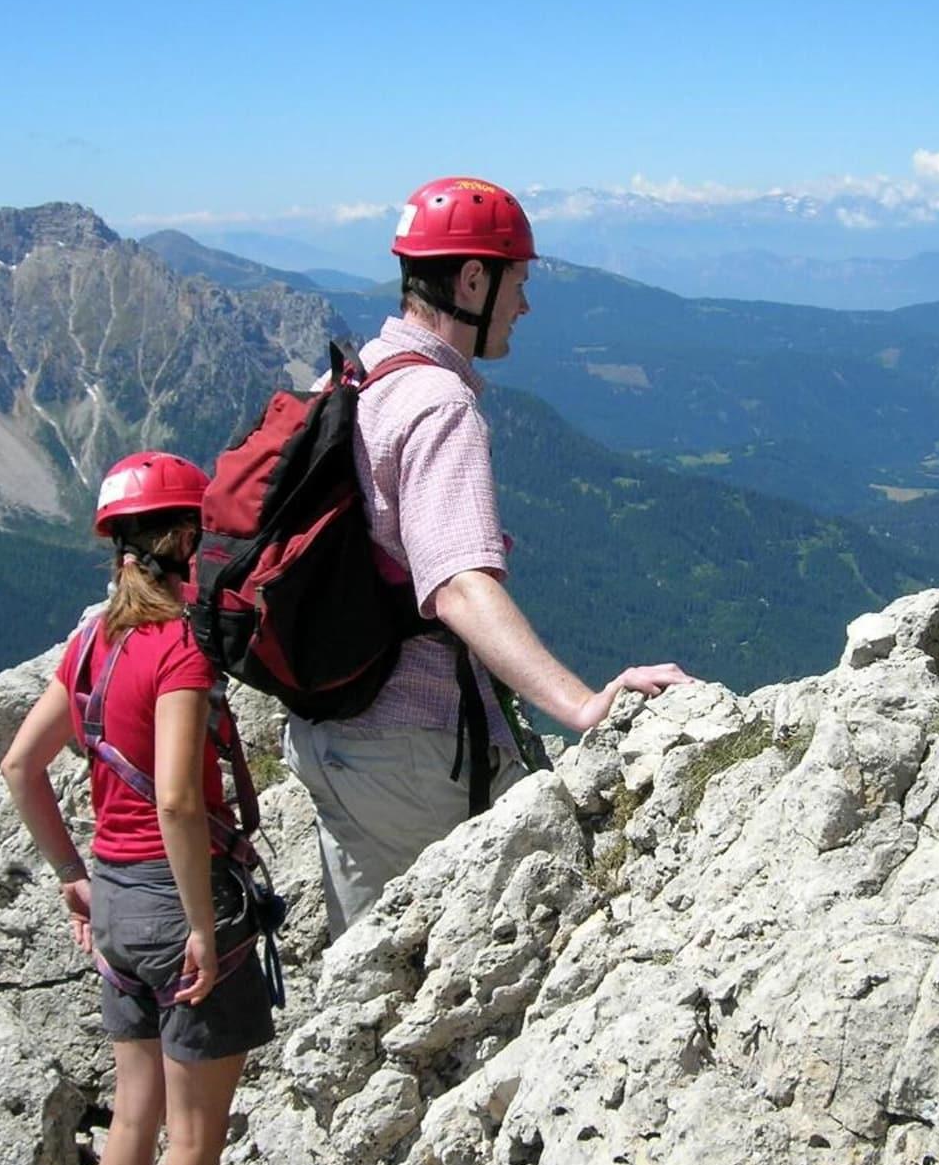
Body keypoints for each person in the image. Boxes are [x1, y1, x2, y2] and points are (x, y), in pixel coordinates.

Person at [283, 176, 693, 937]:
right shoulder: (437, 403)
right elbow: (459, 585)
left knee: (373, 976)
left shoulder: (352, 377)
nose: (525, 307)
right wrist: (582, 707)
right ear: (473, 278)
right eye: (519, 281)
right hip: (413, 748)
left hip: (332, 739)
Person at [0, 451, 274, 1165]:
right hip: (173, 897)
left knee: (135, 1108)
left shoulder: (90, 644)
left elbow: (20, 767)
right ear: (186, 537)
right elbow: (178, 799)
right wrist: (201, 923)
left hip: (114, 900)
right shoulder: (178, 650)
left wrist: (71, 876)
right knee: (195, 1135)